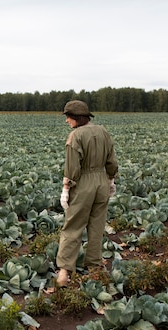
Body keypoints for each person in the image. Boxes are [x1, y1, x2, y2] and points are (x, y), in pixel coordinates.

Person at [56, 100, 118, 286]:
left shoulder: (75, 136)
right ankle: (94, 268)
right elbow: (112, 161)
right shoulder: (103, 131)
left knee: (73, 226)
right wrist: (111, 180)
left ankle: (64, 272)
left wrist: (66, 189)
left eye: (68, 117)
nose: (67, 121)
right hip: (102, 183)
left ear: (76, 117)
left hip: (83, 184)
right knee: (97, 226)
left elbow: (73, 168)